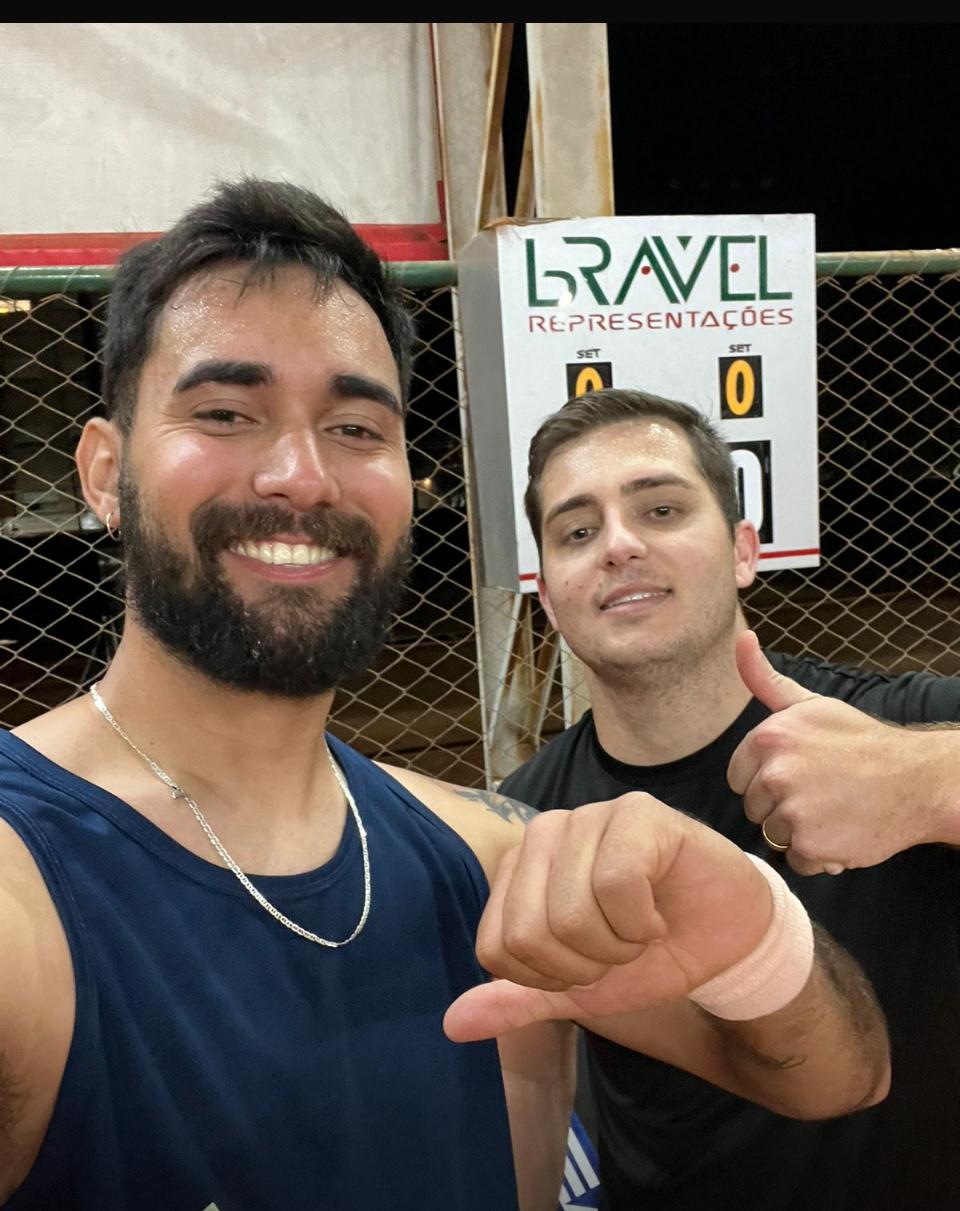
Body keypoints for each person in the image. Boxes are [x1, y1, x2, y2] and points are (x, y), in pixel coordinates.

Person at [0, 185, 889, 1211]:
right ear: (105, 472)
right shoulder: (25, 888)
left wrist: (752, 929)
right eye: (226, 414)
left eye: (355, 426)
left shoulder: (487, 854)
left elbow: (838, 1075)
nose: (302, 475)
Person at [500, 386, 960, 1211]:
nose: (619, 544)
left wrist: (923, 782)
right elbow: (533, 1085)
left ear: (744, 551)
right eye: (577, 531)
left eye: (662, 509)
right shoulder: (529, 817)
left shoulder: (894, 727)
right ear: (551, 596)